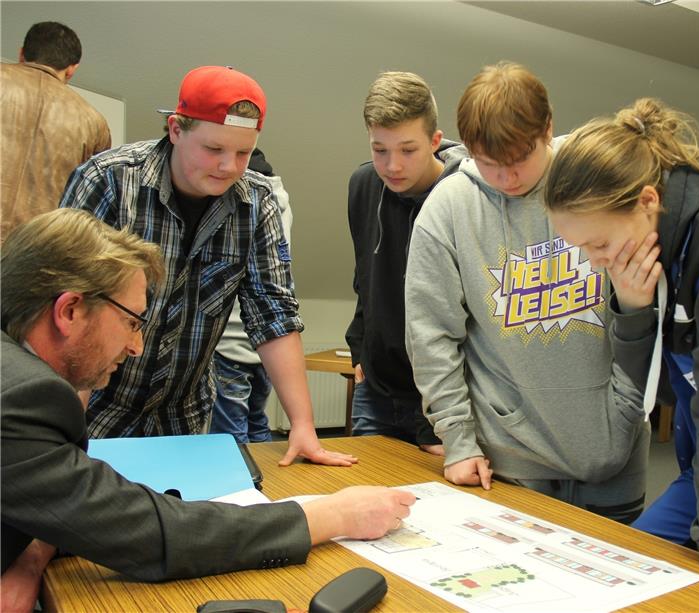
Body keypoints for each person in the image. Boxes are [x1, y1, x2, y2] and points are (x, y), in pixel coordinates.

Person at [0, 209, 416, 609]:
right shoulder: (26, 398)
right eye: (131, 322)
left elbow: (52, 501)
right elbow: (149, 533)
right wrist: (333, 514)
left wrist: (31, 551)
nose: (137, 347)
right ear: (69, 310)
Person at [543, 97, 699, 586]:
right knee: (613, 571)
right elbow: (660, 394)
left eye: (598, 245)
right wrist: (635, 311)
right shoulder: (658, 244)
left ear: (646, 200)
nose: (595, 262)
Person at [59, 66, 353, 468]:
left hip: (184, 421)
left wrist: (303, 426)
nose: (229, 167)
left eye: (243, 153)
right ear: (176, 129)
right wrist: (66, 436)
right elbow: (71, 317)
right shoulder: (110, 181)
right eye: (214, 149)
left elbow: (274, 314)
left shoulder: (257, 202)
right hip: (96, 410)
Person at [404, 62, 649, 523]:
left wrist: (629, 405)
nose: (508, 179)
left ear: (548, 129)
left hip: (615, 444)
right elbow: (431, 337)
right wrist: (457, 440)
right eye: (491, 165)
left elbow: (641, 304)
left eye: (520, 160)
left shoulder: (597, 176)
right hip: (510, 460)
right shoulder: (448, 207)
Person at [346, 72, 467, 454]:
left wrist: (444, 414)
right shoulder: (363, 184)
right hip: (378, 392)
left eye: (408, 150)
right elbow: (365, 275)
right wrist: (360, 346)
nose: (392, 165)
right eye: (379, 149)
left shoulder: (464, 195)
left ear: (434, 141)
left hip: (444, 399)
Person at [0, 21, 110, 238]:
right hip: (34, 254)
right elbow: (89, 208)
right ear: (71, 69)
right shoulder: (93, 122)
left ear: (22, 54)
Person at [210, 149, 291, 443]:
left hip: (230, 343)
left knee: (230, 438)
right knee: (257, 423)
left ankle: (243, 487)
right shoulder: (280, 203)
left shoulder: (241, 204)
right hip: (266, 346)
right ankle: (265, 486)